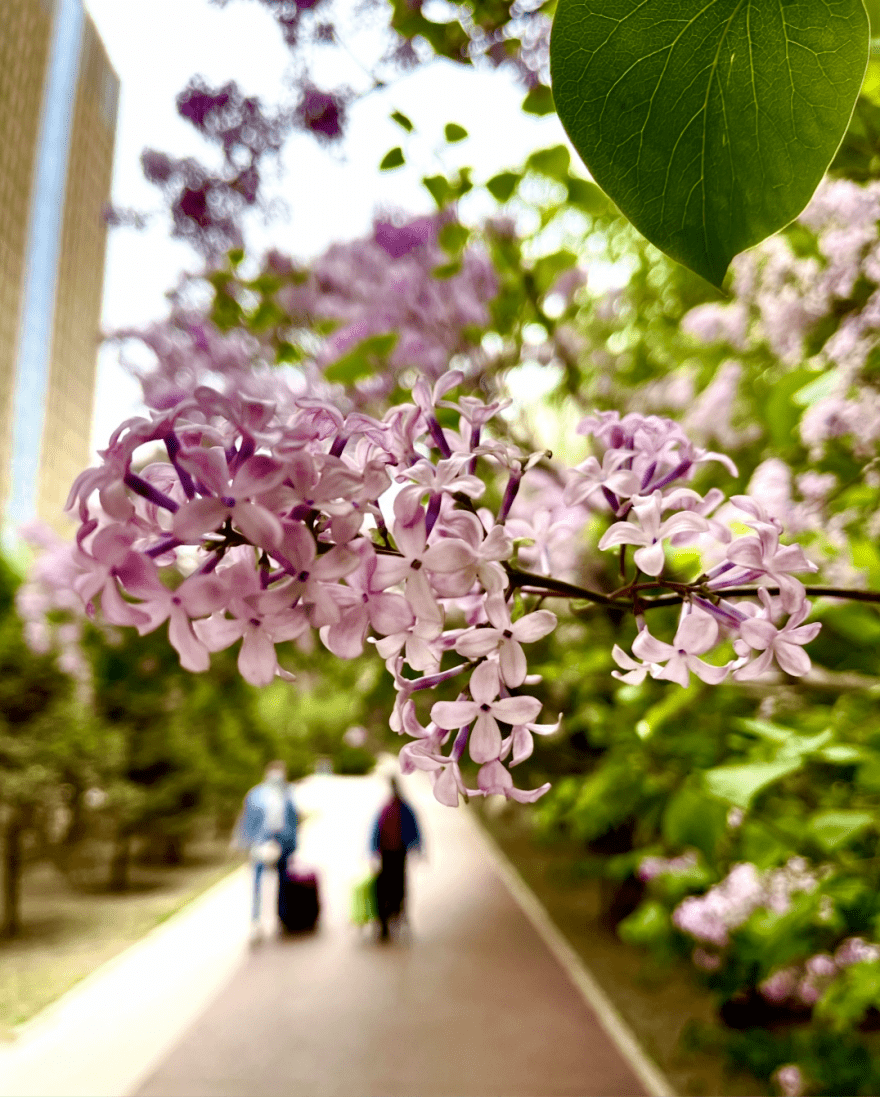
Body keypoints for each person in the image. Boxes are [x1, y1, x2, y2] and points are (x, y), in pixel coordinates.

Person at [236, 761, 298, 941]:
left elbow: (293, 821)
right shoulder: (255, 795)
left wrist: (293, 845)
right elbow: (247, 821)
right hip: (260, 843)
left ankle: (283, 919)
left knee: (284, 882)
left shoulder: (288, 794)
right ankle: (256, 922)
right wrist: (246, 843)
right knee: (256, 882)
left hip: (282, 842)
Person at [370, 776, 422, 941]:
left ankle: (396, 914)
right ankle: (387, 920)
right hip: (387, 853)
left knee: (397, 885)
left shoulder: (402, 808)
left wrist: (417, 845)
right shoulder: (388, 808)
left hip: (398, 852)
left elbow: (413, 828)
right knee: (388, 886)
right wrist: (372, 850)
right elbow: (376, 830)